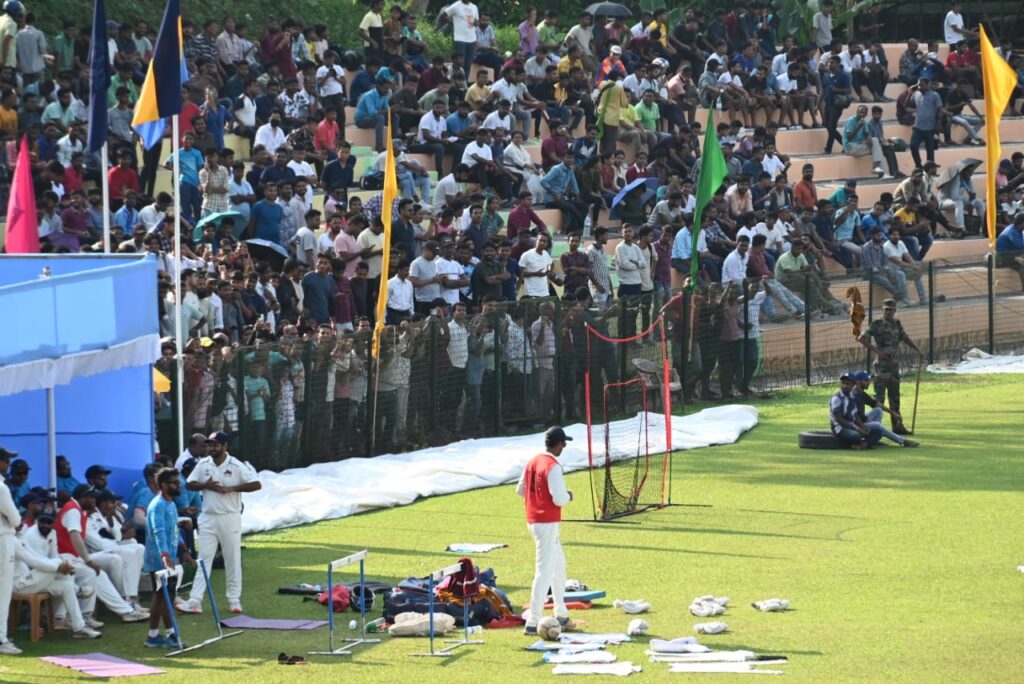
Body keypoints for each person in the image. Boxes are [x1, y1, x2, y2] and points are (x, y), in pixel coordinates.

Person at [181, 432, 261, 614]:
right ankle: (195, 601)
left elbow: (256, 484)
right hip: (208, 518)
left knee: (232, 559)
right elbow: (189, 484)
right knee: (204, 559)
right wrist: (206, 485)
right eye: (209, 445)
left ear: (225, 446)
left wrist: (232, 488)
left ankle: (234, 600)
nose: (211, 448)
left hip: (230, 517)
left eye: (215, 445)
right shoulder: (203, 464)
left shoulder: (236, 465)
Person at [517, 426, 578, 636]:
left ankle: (561, 613)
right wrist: (569, 496)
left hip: (534, 521)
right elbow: (559, 498)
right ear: (558, 444)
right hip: (547, 523)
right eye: (564, 444)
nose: (564, 447)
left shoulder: (533, 461)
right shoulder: (553, 466)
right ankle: (533, 620)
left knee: (559, 566)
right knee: (544, 571)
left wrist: (537, 499)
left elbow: (520, 490)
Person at [857, 299, 923, 435]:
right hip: (882, 367)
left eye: (891, 310)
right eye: (886, 309)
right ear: (882, 310)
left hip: (894, 367)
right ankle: (876, 427)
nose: (888, 312)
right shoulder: (876, 324)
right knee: (879, 399)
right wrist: (878, 352)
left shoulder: (897, 324)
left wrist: (917, 350)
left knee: (895, 398)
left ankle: (898, 426)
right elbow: (861, 338)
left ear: (895, 311)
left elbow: (904, 337)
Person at [144, 467, 192, 649]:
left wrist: (184, 550)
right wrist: (164, 556)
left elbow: (174, 530)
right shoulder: (158, 505)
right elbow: (159, 531)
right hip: (158, 557)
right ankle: (164, 635)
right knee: (162, 595)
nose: (179, 486)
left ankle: (158, 636)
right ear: (164, 485)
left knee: (167, 595)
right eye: (175, 483)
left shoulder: (171, 504)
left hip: (168, 556)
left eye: (179, 482)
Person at [852, 371, 920, 447]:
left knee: (878, 410)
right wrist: (870, 422)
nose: (869, 382)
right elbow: (857, 416)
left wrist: (893, 413)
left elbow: (876, 404)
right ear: (857, 382)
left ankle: (874, 438)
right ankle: (903, 441)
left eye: (868, 380)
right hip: (855, 424)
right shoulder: (855, 395)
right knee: (878, 426)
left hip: (860, 421)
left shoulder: (861, 393)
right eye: (866, 380)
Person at [829, 372, 882, 450]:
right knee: (856, 435)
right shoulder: (837, 398)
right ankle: (861, 444)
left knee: (878, 432)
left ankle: (863, 444)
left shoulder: (852, 397)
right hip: (840, 428)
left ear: (853, 385)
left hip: (852, 425)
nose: (844, 386)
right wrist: (857, 429)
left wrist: (863, 427)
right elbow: (839, 419)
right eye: (843, 383)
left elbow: (855, 415)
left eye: (848, 384)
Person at [0, 455, 20, 654]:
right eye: (5, 460)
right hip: (2, 539)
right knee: (3, 591)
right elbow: (15, 518)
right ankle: (1, 639)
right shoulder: (1, 487)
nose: (8, 464)